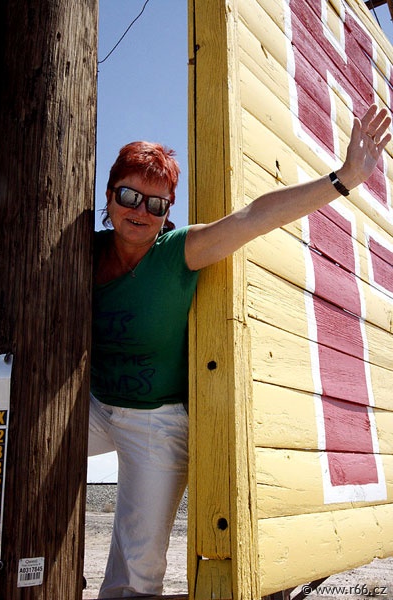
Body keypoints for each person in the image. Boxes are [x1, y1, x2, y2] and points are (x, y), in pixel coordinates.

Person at [88, 104, 391, 598]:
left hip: (155, 422)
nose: (140, 211)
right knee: (16, 446)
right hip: (93, 405)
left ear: (168, 211)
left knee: (135, 574)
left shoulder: (179, 252)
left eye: (156, 204)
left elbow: (255, 216)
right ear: (109, 194)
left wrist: (344, 179)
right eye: (129, 196)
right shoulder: (82, 249)